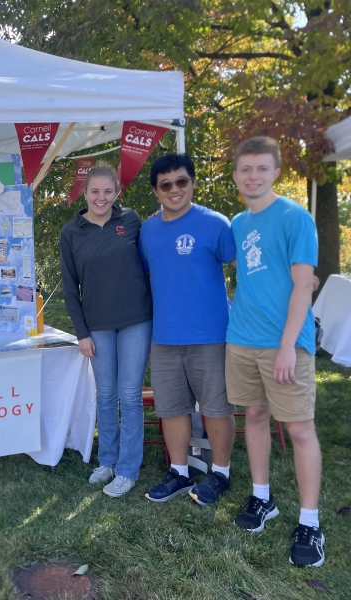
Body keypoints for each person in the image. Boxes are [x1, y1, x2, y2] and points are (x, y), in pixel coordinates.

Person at [226, 137, 324, 567]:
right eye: (245, 169)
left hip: (286, 344)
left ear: (275, 172)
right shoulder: (238, 223)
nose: (253, 176)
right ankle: (262, 498)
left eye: (261, 168)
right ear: (235, 176)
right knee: (255, 416)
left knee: (301, 430)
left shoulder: (295, 217)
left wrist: (288, 346)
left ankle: (310, 523)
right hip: (242, 339)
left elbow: (305, 284)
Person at [139, 154, 237, 505]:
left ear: (193, 183)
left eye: (181, 181)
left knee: (217, 408)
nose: (174, 189)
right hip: (165, 337)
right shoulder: (147, 230)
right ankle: (179, 472)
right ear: (156, 191)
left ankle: (220, 474)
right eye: (165, 184)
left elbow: (246, 270)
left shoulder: (216, 224)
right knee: (171, 409)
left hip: (211, 335)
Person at [59, 162, 153, 498]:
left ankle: (128, 469)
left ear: (117, 192)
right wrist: (81, 332)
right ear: (85, 193)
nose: (102, 197)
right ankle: (108, 460)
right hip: (96, 326)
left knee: (129, 396)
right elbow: (71, 288)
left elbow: (148, 268)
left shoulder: (131, 221)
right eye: (95, 191)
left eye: (108, 191)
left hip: (136, 321)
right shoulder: (71, 233)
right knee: (105, 395)